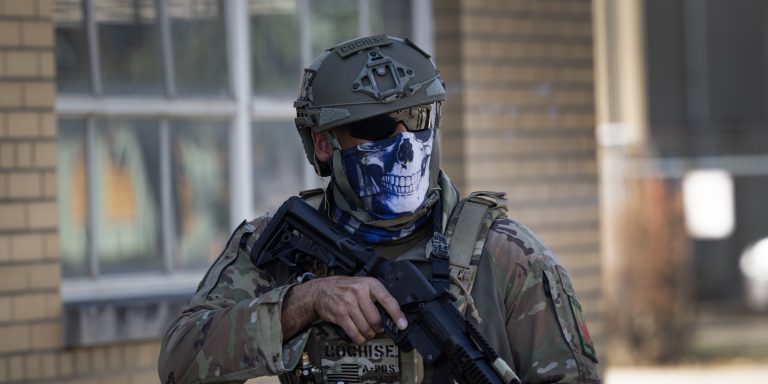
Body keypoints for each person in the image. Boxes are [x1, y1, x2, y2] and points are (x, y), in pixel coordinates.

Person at [158, 35, 600, 384]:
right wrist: (305, 302)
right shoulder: (278, 244)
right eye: (376, 127)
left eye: (419, 118)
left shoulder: (508, 255)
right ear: (322, 143)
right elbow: (179, 362)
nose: (406, 146)